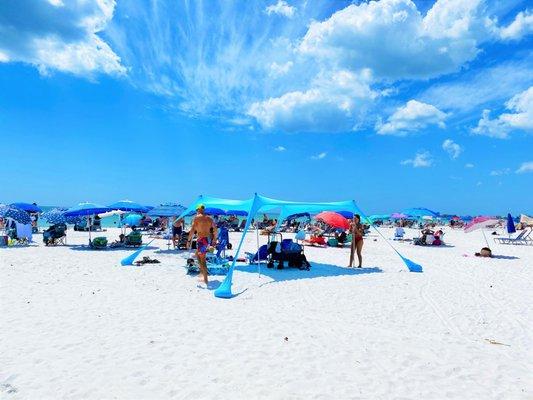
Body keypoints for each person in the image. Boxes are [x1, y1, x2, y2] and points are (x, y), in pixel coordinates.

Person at [187, 205, 217, 285]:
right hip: (207, 240)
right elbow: (215, 229)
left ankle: (206, 279)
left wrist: (188, 240)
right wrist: (214, 239)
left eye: (197, 210)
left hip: (201, 240)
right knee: (197, 254)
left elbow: (192, 230)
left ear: (198, 209)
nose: (197, 211)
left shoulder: (197, 218)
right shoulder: (209, 218)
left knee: (203, 260)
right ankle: (202, 273)